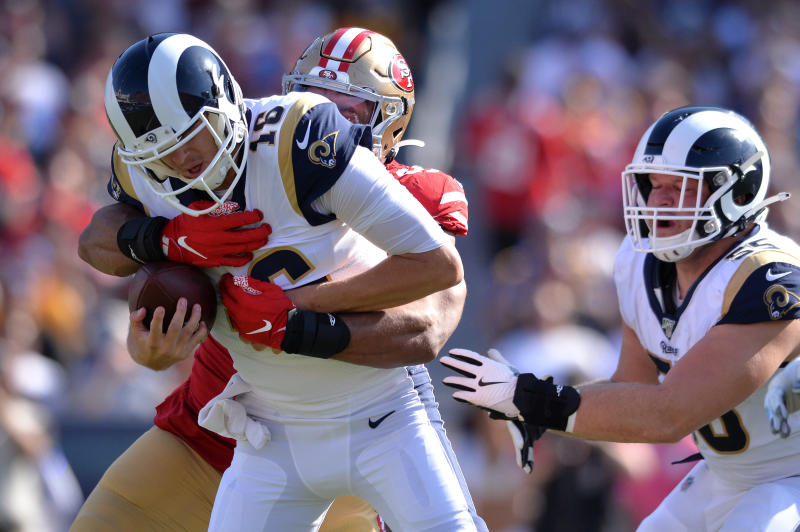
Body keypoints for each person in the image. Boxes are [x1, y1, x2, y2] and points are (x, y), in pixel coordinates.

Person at [74, 30, 481, 531]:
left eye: (347, 110)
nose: (328, 117)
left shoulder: (381, 178)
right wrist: (162, 242)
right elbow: (98, 239)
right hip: (223, 424)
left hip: (366, 418)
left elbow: (426, 325)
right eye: (312, 94)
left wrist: (298, 317)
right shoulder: (186, 158)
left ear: (391, 124)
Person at [440, 106, 800, 531]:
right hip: (727, 475)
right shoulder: (639, 262)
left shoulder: (770, 281)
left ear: (738, 194)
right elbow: (632, 391)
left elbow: (670, 414)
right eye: (653, 185)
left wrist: (532, 398)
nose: (658, 200)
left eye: (680, 187)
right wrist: (535, 413)